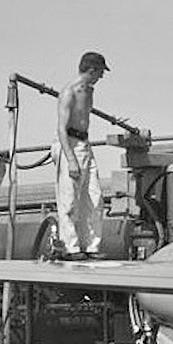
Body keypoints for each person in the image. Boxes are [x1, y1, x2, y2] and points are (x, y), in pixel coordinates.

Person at [55, 51, 110, 260]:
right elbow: (61, 129)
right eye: (100, 72)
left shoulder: (89, 91)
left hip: (85, 144)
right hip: (70, 143)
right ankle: (71, 246)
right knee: (69, 199)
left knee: (94, 197)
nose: (101, 77)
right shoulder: (69, 92)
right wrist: (70, 160)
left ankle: (91, 245)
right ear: (91, 70)